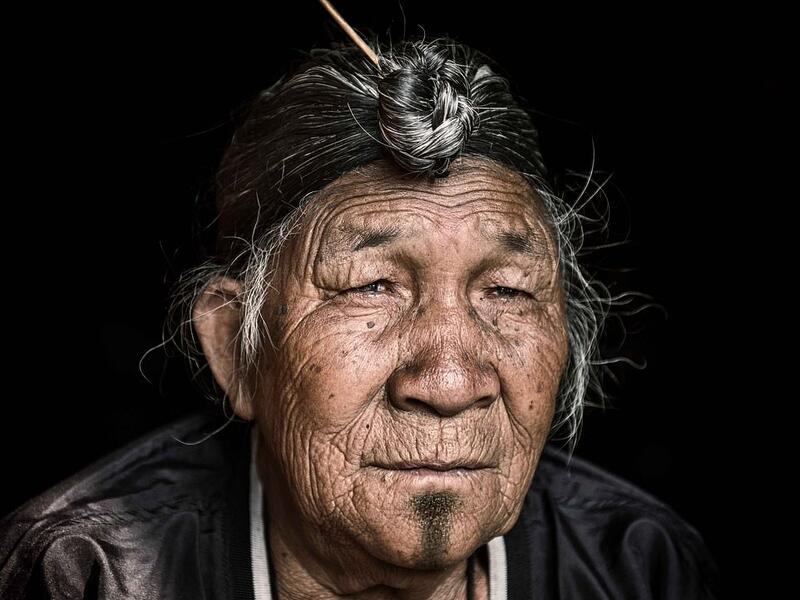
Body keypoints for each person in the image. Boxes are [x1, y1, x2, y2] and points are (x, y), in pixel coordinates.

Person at [0, 33, 721, 599]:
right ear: (234, 348)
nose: (447, 380)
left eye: (506, 290)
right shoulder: (84, 575)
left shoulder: (641, 568)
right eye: (371, 285)